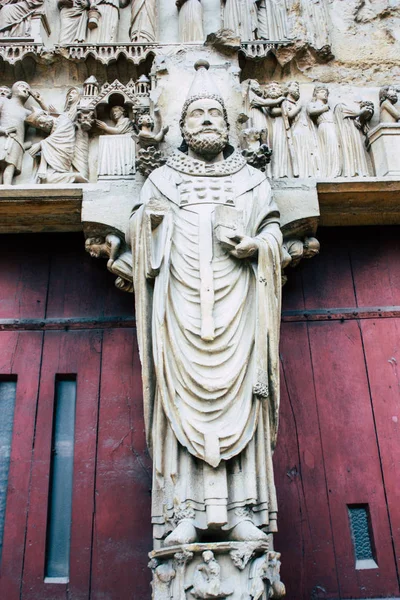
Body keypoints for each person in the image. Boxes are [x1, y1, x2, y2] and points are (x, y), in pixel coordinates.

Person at [128, 61, 282, 548]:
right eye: (197, 115)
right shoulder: (163, 182)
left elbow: (274, 230)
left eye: (215, 113)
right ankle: (183, 513)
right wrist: (152, 226)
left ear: (229, 124)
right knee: (182, 403)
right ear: (182, 128)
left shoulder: (252, 183)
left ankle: (242, 512)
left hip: (239, 309)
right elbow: (139, 236)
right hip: (180, 310)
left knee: (242, 402)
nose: (207, 121)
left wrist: (257, 247)